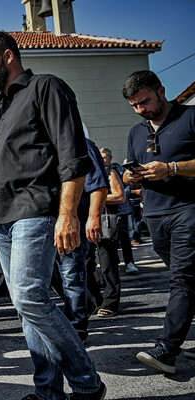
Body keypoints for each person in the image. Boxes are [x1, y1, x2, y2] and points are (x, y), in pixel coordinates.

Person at [0, 29, 105, 400]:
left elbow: (73, 156)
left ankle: (88, 385)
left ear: (8, 56)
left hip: (35, 211)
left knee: (30, 298)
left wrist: (69, 214)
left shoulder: (46, 87)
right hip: (1, 220)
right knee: (27, 310)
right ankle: (48, 393)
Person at [121, 70, 195, 374]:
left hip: (188, 210)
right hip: (153, 215)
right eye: (135, 105)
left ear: (161, 90)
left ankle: (167, 349)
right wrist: (130, 175)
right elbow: (125, 175)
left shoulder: (190, 117)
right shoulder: (136, 132)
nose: (141, 109)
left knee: (183, 279)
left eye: (145, 102)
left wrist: (172, 168)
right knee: (189, 281)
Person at [51, 137, 108, 344]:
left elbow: (98, 185)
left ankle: (77, 330)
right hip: (49, 223)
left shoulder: (82, 144)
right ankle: (84, 303)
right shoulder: (44, 144)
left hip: (74, 222)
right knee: (52, 275)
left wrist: (94, 218)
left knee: (72, 275)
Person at [99, 148, 139, 274]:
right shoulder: (99, 171)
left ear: (110, 157)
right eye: (102, 157)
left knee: (124, 237)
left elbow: (127, 187)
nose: (104, 160)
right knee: (109, 239)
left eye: (106, 157)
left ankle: (129, 263)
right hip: (106, 211)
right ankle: (114, 263)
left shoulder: (119, 170)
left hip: (121, 209)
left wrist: (119, 193)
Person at [94, 163, 125, 318]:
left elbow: (120, 196)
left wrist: (95, 198)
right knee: (84, 264)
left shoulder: (108, 171)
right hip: (81, 220)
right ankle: (96, 299)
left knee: (108, 263)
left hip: (104, 222)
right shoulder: (77, 171)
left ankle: (110, 302)